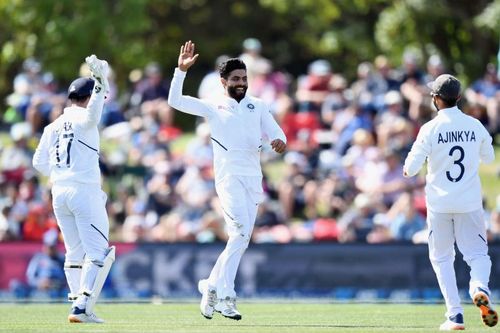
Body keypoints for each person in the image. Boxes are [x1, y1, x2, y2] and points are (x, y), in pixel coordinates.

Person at [168, 41, 286, 320]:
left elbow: (277, 133)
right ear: (223, 82)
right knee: (240, 233)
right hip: (228, 178)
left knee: (241, 238)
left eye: (244, 79)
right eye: (235, 79)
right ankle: (226, 296)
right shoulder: (213, 106)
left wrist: (280, 142)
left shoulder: (257, 106)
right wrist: (180, 72)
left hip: (253, 180)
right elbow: (175, 102)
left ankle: (210, 284)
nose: (241, 83)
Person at [403, 74, 497, 330]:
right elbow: (489, 158)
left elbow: (410, 169)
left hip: (439, 205)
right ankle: (479, 287)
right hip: (469, 202)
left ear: (435, 99)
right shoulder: (475, 125)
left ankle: (455, 315)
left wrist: (410, 168)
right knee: (477, 254)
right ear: (458, 98)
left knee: (442, 258)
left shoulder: (429, 129)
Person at [32, 55, 115, 324]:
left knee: (74, 252)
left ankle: (77, 301)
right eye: (98, 96)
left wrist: (60, 174)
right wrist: (101, 80)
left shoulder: (51, 126)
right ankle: (82, 305)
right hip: (83, 191)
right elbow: (94, 111)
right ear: (90, 97)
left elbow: (37, 163)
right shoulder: (86, 118)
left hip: (60, 193)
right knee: (99, 251)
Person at [25, 229, 66, 298]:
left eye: (52, 247)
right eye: (49, 247)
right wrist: (39, 283)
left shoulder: (62, 259)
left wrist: (53, 284)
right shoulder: (38, 258)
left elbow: (67, 279)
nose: (50, 249)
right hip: (39, 291)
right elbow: (30, 277)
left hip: (58, 291)